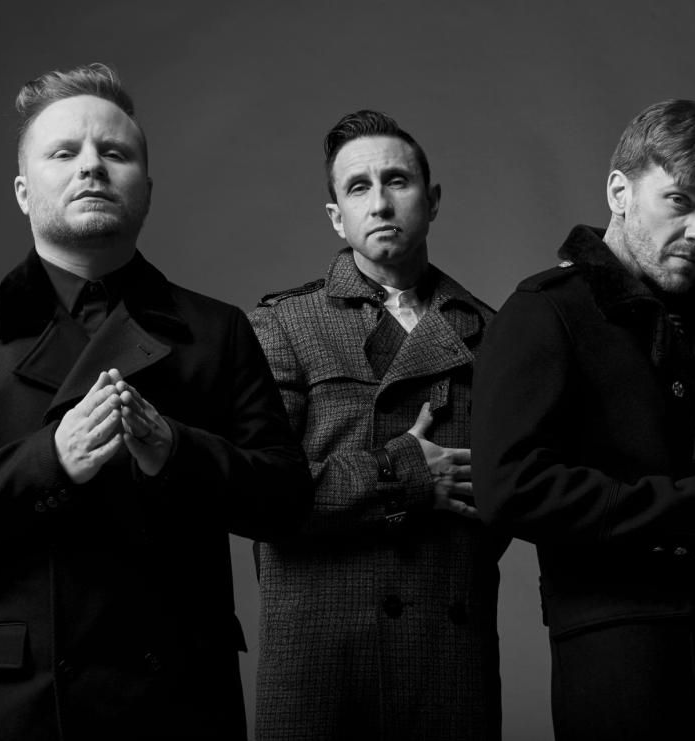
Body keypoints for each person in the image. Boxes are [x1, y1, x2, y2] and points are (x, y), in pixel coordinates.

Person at [0, 63, 311, 740]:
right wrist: (48, 459)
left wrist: (177, 452)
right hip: (16, 700)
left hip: (176, 693)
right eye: (64, 153)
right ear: (22, 191)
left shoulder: (216, 330)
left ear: (146, 190)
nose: (91, 166)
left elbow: (285, 501)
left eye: (114, 152)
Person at [472, 99, 695, 740]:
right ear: (619, 192)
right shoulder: (544, 313)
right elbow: (507, 488)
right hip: (622, 668)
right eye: (680, 201)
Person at [250, 109, 506, 740]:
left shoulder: (496, 332)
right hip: (321, 659)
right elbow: (263, 496)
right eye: (358, 187)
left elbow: (509, 494)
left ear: (432, 200)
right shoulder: (283, 324)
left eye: (398, 181)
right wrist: (408, 476)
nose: (381, 202)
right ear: (337, 216)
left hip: (447, 652)